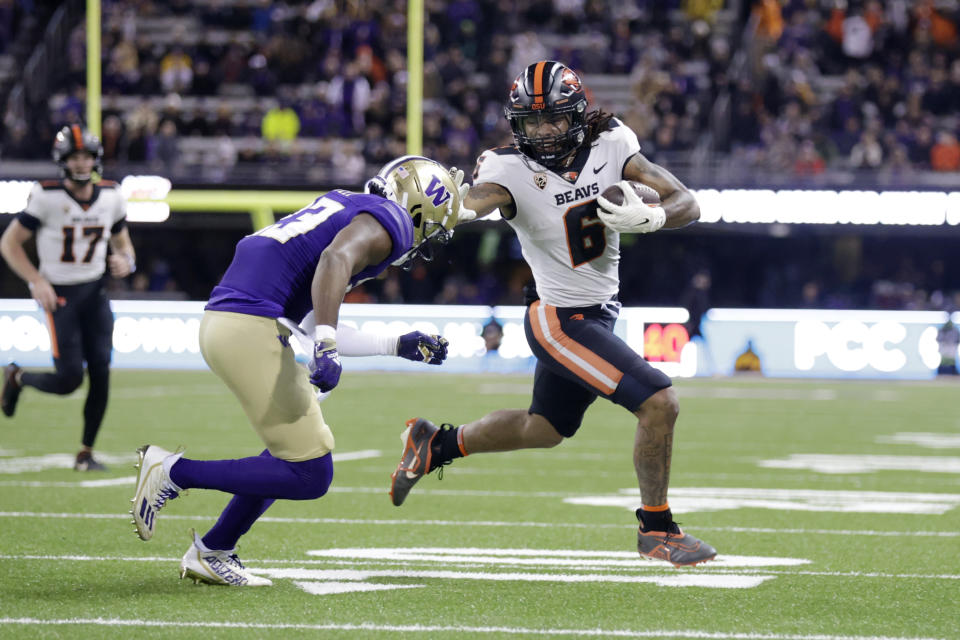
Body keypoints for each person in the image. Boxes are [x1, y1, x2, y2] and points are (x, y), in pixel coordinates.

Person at [388, 60, 717, 567]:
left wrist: (651, 216)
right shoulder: (507, 168)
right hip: (558, 317)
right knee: (659, 402)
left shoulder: (611, 142)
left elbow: (687, 202)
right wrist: (443, 206)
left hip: (597, 314)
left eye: (553, 120)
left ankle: (435, 444)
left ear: (578, 115)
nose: (541, 132)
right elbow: (475, 202)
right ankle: (658, 530)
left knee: (542, 429)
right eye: (531, 122)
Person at [128, 156, 469, 587]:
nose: (429, 241)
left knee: (290, 451)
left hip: (232, 323)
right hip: (249, 325)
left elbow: (312, 315)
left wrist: (394, 345)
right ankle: (174, 472)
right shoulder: (391, 222)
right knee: (311, 472)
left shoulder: (349, 206)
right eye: (436, 226)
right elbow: (334, 261)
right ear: (419, 207)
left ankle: (214, 550)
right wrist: (325, 342)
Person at [1, 125, 136, 471]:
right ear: (63, 160)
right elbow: (9, 243)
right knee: (69, 379)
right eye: (75, 156)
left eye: (86, 156)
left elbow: (123, 242)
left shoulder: (111, 195)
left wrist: (127, 261)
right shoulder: (46, 196)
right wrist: (36, 281)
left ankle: (85, 452)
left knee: (102, 373)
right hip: (60, 293)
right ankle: (17, 377)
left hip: (95, 291)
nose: (81, 163)